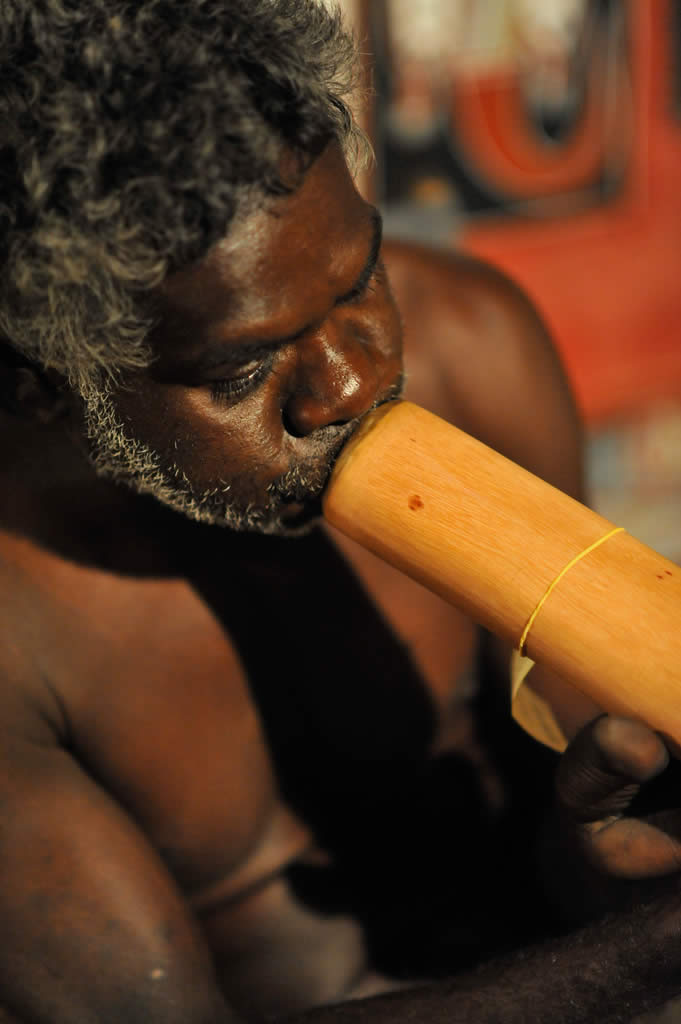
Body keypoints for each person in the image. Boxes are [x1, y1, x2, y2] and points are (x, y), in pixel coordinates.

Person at [0, 2, 680, 1022]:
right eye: (244, 363)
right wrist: (658, 948)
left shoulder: (473, 346)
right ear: (58, 377)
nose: (354, 383)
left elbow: (567, 853)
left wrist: (610, 853)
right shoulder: (19, 624)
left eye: (361, 275)